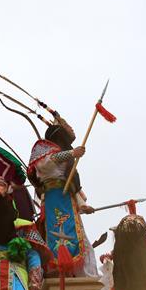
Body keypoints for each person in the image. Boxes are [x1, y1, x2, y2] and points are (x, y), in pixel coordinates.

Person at [27, 113, 98, 278]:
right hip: (53, 196)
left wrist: (82, 206)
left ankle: (80, 274)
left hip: (66, 196)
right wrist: (71, 153)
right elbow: (48, 162)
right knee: (57, 233)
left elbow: (74, 183)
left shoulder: (65, 157)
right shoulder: (42, 149)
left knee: (78, 234)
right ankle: (61, 271)